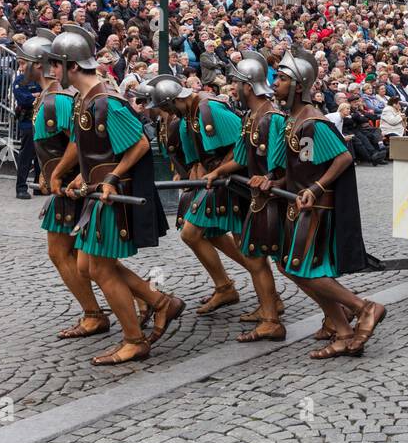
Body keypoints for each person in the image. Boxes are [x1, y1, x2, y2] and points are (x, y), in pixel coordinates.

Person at [48, 25, 179, 365]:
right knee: (86, 264)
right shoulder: (85, 100)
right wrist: (74, 175)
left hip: (111, 198)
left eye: (56, 65)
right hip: (95, 194)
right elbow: (93, 149)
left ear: (72, 66)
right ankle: (160, 302)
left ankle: (135, 339)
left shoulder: (107, 103)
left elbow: (139, 145)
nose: (52, 71)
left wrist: (112, 177)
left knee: (101, 269)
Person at [264, 47, 385, 359]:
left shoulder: (313, 122)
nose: (275, 82)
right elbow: (305, 164)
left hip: (316, 210)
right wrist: (275, 183)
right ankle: (344, 332)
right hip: (300, 207)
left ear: (298, 86)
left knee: (304, 270)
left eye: (281, 78)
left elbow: (342, 157)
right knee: (292, 267)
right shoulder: (294, 122)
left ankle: (365, 308)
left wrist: (316, 188)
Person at [24, 30, 116, 339]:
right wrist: (45, 171)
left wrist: (61, 174)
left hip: (73, 190)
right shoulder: (47, 97)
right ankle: (141, 303)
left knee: (75, 256)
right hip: (63, 186)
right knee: (79, 257)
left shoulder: (58, 100)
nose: (19, 65)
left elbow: (77, 143)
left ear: (38, 64)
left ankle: (101, 312)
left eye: (24, 60)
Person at [143, 73, 258, 316]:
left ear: (172, 102)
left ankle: (266, 299)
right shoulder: (191, 115)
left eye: (165, 106)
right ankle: (227, 287)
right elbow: (198, 156)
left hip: (235, 181)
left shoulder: (208, 109)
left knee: (201, 234)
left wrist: (218, 171)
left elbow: (244, 142)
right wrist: (193, 175)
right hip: (218, 180)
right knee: (207, 233)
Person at [201, 50, 288, 343]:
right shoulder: (252, 117)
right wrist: (217, 172)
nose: (234, 89)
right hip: (258, 199)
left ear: (248, 86)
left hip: (274, 199)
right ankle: (269, 314)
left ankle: (339, 311)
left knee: (288, 264)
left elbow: (281, 162)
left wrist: (271, 177)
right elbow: (240, 157)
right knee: (257, 258)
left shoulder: (272, 117)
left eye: (238, 84)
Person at [11, 59, 41, 200]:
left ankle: (38, 185)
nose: (21, 67)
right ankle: (21, 187)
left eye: (23, 64)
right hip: (27, 122)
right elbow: (24, 100)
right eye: (20, 64)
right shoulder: (20, 80)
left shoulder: (38, 79)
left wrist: (35, 96)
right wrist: (35, 96)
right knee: (26, 156)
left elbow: (45, 95)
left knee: (40, 155)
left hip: (40, 121)